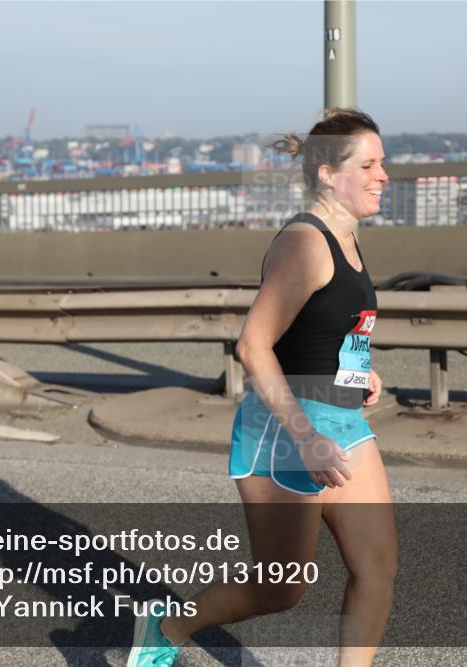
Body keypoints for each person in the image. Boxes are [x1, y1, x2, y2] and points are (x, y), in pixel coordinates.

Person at [127, 108, 398, 667]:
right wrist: (306, 438)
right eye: (369, 164)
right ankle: (167, 627)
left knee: (377, 568)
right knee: (280, 589)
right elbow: (253, 346)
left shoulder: (347, 238)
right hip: (286, 432)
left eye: (382, 163)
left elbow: (321, 329)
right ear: (328, 174)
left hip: (343, 422)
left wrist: (359, 372)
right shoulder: (305, 243)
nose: (383, 175)